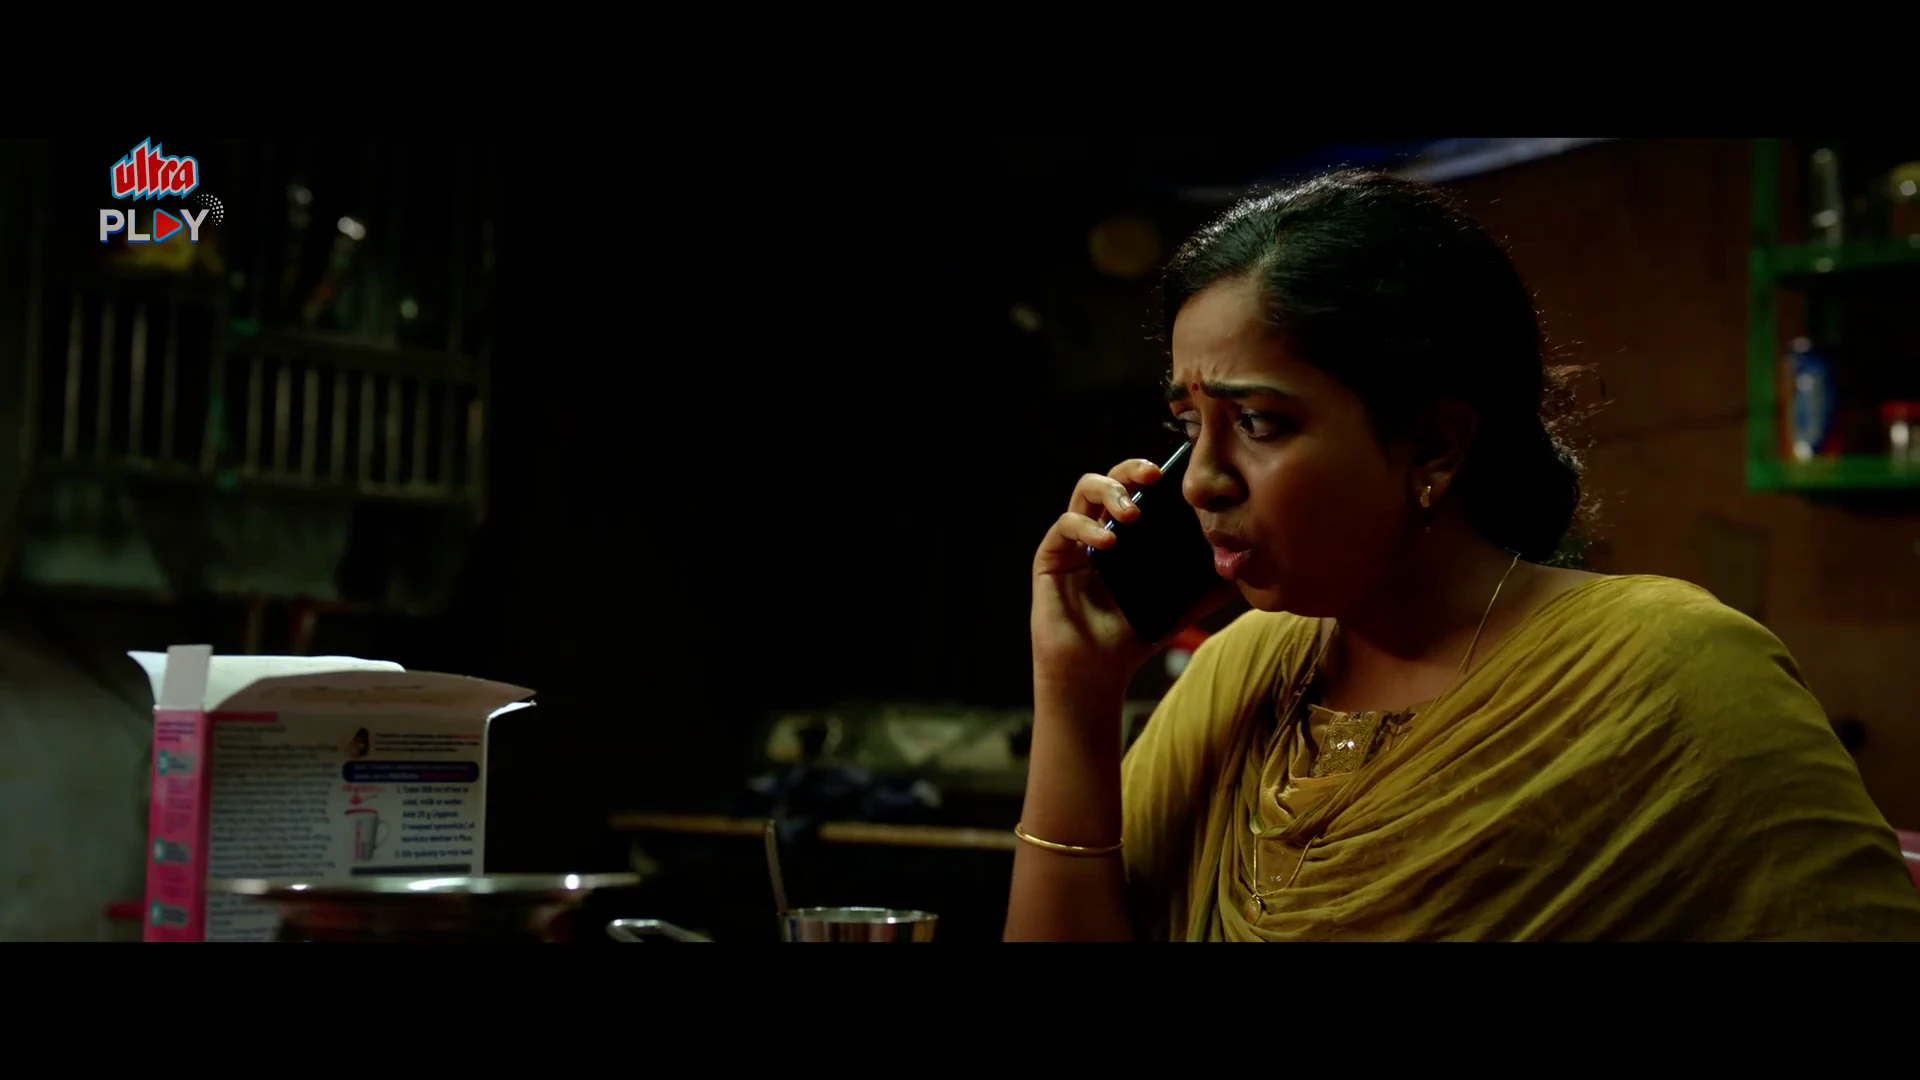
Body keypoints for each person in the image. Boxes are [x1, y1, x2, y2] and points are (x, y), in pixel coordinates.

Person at [1006, 170, 1920, 942]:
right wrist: (1077, 687)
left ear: (1435, 446)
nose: (1202, 481)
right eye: (1187, 428)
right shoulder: (1237, 677)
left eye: (1258, 422)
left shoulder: (1670, 674)